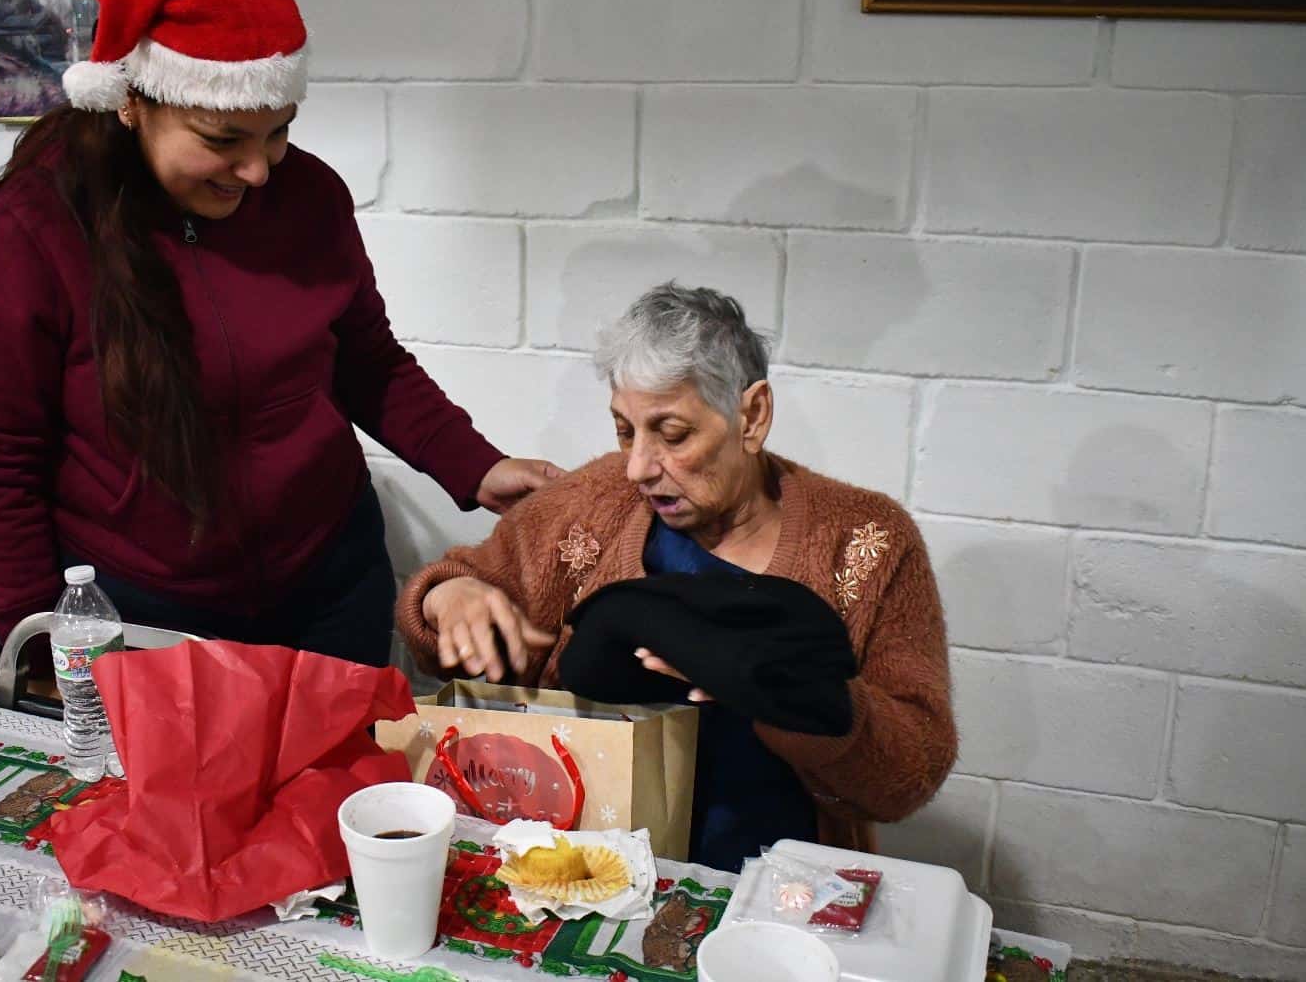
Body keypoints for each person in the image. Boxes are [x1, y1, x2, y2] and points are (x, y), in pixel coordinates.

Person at [0, 0, 559, 666]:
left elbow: (367, 360)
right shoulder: (28, 234)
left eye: (279, 133)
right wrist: (41, 644)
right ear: (132, 103)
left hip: (329, 575)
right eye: (224, 138)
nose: (258, 170)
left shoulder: (310, 196)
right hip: (149, 612)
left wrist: (476, 466)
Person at [397, 284, 956, 868]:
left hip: (780, 883)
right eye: (624, 428)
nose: (638, 466)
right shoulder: (591, 504)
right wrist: (448, 596)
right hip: (586, 865)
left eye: (673, 434)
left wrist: (811, 703)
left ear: (752, 415)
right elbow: (456, 611)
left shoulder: (866, 540)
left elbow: (910, 773)